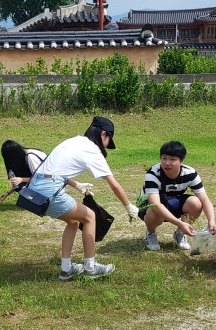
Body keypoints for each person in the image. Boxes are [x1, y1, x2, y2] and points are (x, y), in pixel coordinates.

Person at [25, 116, 139, 280]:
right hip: (49, 190)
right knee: (90, 216)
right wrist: (129, 206)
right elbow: (113, 184)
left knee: (73, 221)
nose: (106, 146)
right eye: (108, 142)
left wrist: (77, 185)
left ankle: (66, 269)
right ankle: (90, 267)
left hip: (33, 190)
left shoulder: (73, 141)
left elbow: (54, 170)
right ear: (104, 134)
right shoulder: (92, 149)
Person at [139, 141, 216, 251]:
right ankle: (150, 233)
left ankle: (179, 234)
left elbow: (204, 199)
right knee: (154, 208)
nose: (167, 163)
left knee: (196, 203)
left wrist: (211, 221)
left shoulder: (190, 173)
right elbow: (155, 203)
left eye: (172, 159)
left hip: (173, 202)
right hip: (151, 207)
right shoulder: (153, 174)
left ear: (181, 161)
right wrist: (180, 223)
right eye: (164, 158)